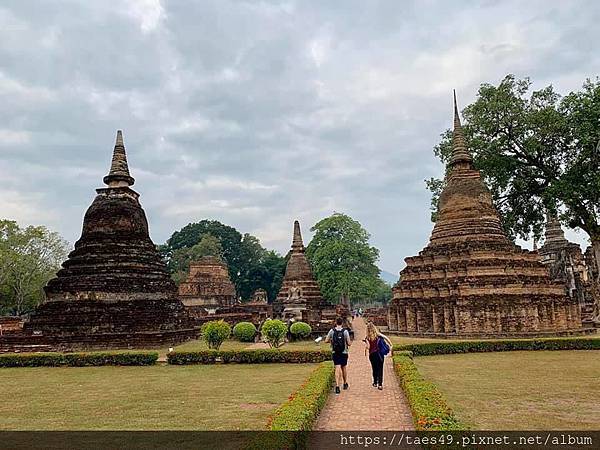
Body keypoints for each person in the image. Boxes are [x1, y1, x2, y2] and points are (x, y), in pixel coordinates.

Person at [325, 317, 352, 394]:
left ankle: (337, 386)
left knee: (337, 367)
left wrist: (332, 341)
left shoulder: (332, 331)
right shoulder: (345, 331)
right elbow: (349, 343)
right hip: (344, 352)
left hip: (335, 352)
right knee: (343, 367)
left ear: (336, 322)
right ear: (342, 323)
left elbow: (326, 340)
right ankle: (345, 383)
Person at [364, 321, 392, 390]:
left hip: (372, 355)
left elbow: (368, 347)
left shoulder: (367, 337)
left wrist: (365, 347)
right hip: (379, 354)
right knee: (380, 369)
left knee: (374, 368)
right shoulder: (378, 335)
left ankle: (375, 382)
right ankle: (380, 384)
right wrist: (391, 345)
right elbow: (386, 338)